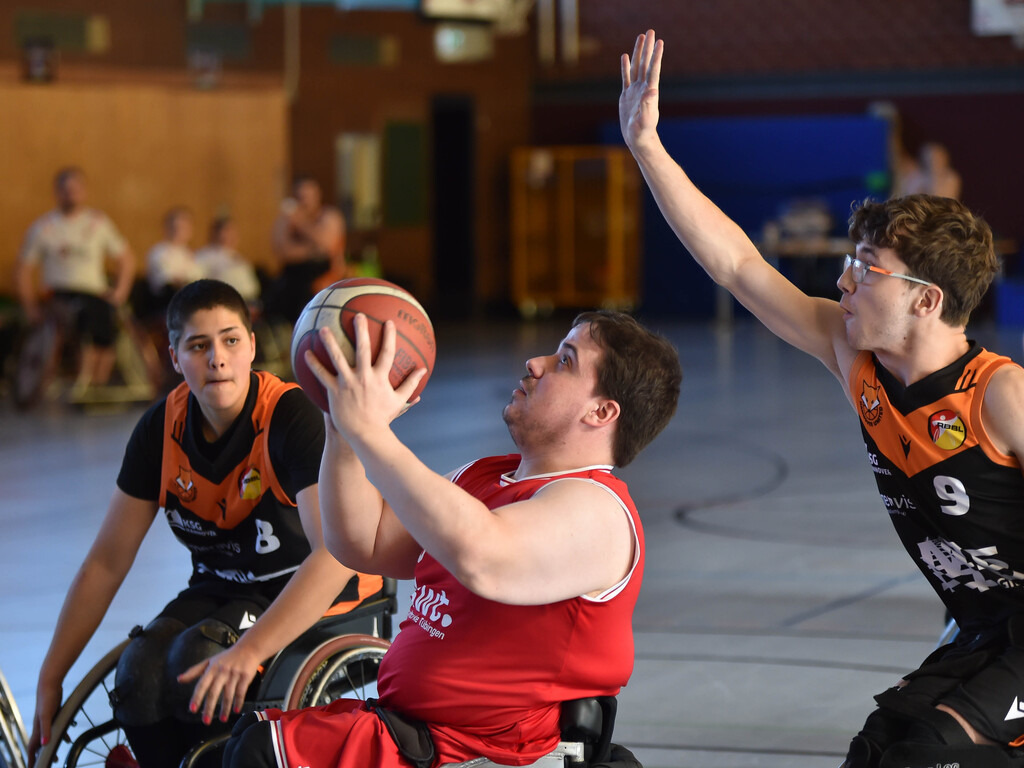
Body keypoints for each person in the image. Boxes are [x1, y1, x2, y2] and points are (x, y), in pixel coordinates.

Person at [619, 30, 1024, 768]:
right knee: (875, 752)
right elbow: (740, 265)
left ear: (925, 300)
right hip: (981, 625)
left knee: (932, 755)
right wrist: (647, 146)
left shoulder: (1001, 396)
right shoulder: (858, 361)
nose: (843, 283)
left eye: (865, 269)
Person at [223, 309, 682, 768]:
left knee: (261, 754)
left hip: (487, 755)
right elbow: (361, 542)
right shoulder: (486, 476)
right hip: (419, 738)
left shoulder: (599, 509)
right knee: (250, 738)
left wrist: (371, 432)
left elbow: (482, 556)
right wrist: (340, 423)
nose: (535, 362)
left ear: (601, 412)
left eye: (565, 361)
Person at [27, 279, 384, 768]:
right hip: (224, 589)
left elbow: (335, 555)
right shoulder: (161, 429)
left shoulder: (290, 417)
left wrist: (249, 650)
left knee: (198, 661)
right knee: (137, 674)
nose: (217, 357)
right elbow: (106, 563)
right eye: (198, 345)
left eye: (230, 340)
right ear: (174, 357)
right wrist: (51, 676)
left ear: (252, 346)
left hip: (325, 591)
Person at [15, 166, 136, 391]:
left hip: (95, 293)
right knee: (83, 314)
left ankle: (96, 385)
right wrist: (31, 307)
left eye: (75, 188)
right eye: (65, 189)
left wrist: (119, 292)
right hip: (58, 295)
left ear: (84, 191)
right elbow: (23, 269)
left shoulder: (99, 223)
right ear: (57, 192)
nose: (70, 194)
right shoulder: (43, 227)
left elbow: (126, 259)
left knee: (107, 315)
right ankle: (82, 380)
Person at [268, 175, 346, 323]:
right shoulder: (286, 220)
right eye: (300, 197)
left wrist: (300, 222)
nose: (304, 201)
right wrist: (313, 250)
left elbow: (327, 244)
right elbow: (282, 251)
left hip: (325, 274)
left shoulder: (330, 216)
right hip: (293, 276)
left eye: (308, 196)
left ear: (318, 195)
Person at [194, 215, 261, 306]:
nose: (231, 235)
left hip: (245, 302)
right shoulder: (205, 255)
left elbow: (251, 287)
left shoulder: (238, 258)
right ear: (216, 233)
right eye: (227, 231)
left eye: (233, 231)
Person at [146, 206, 204, 313]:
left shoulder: (191, 255)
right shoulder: (158, 252)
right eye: (176, 227)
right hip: (167, 305)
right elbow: (169, 284)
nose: (179, 231)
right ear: (167, 228)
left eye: (184, 227)